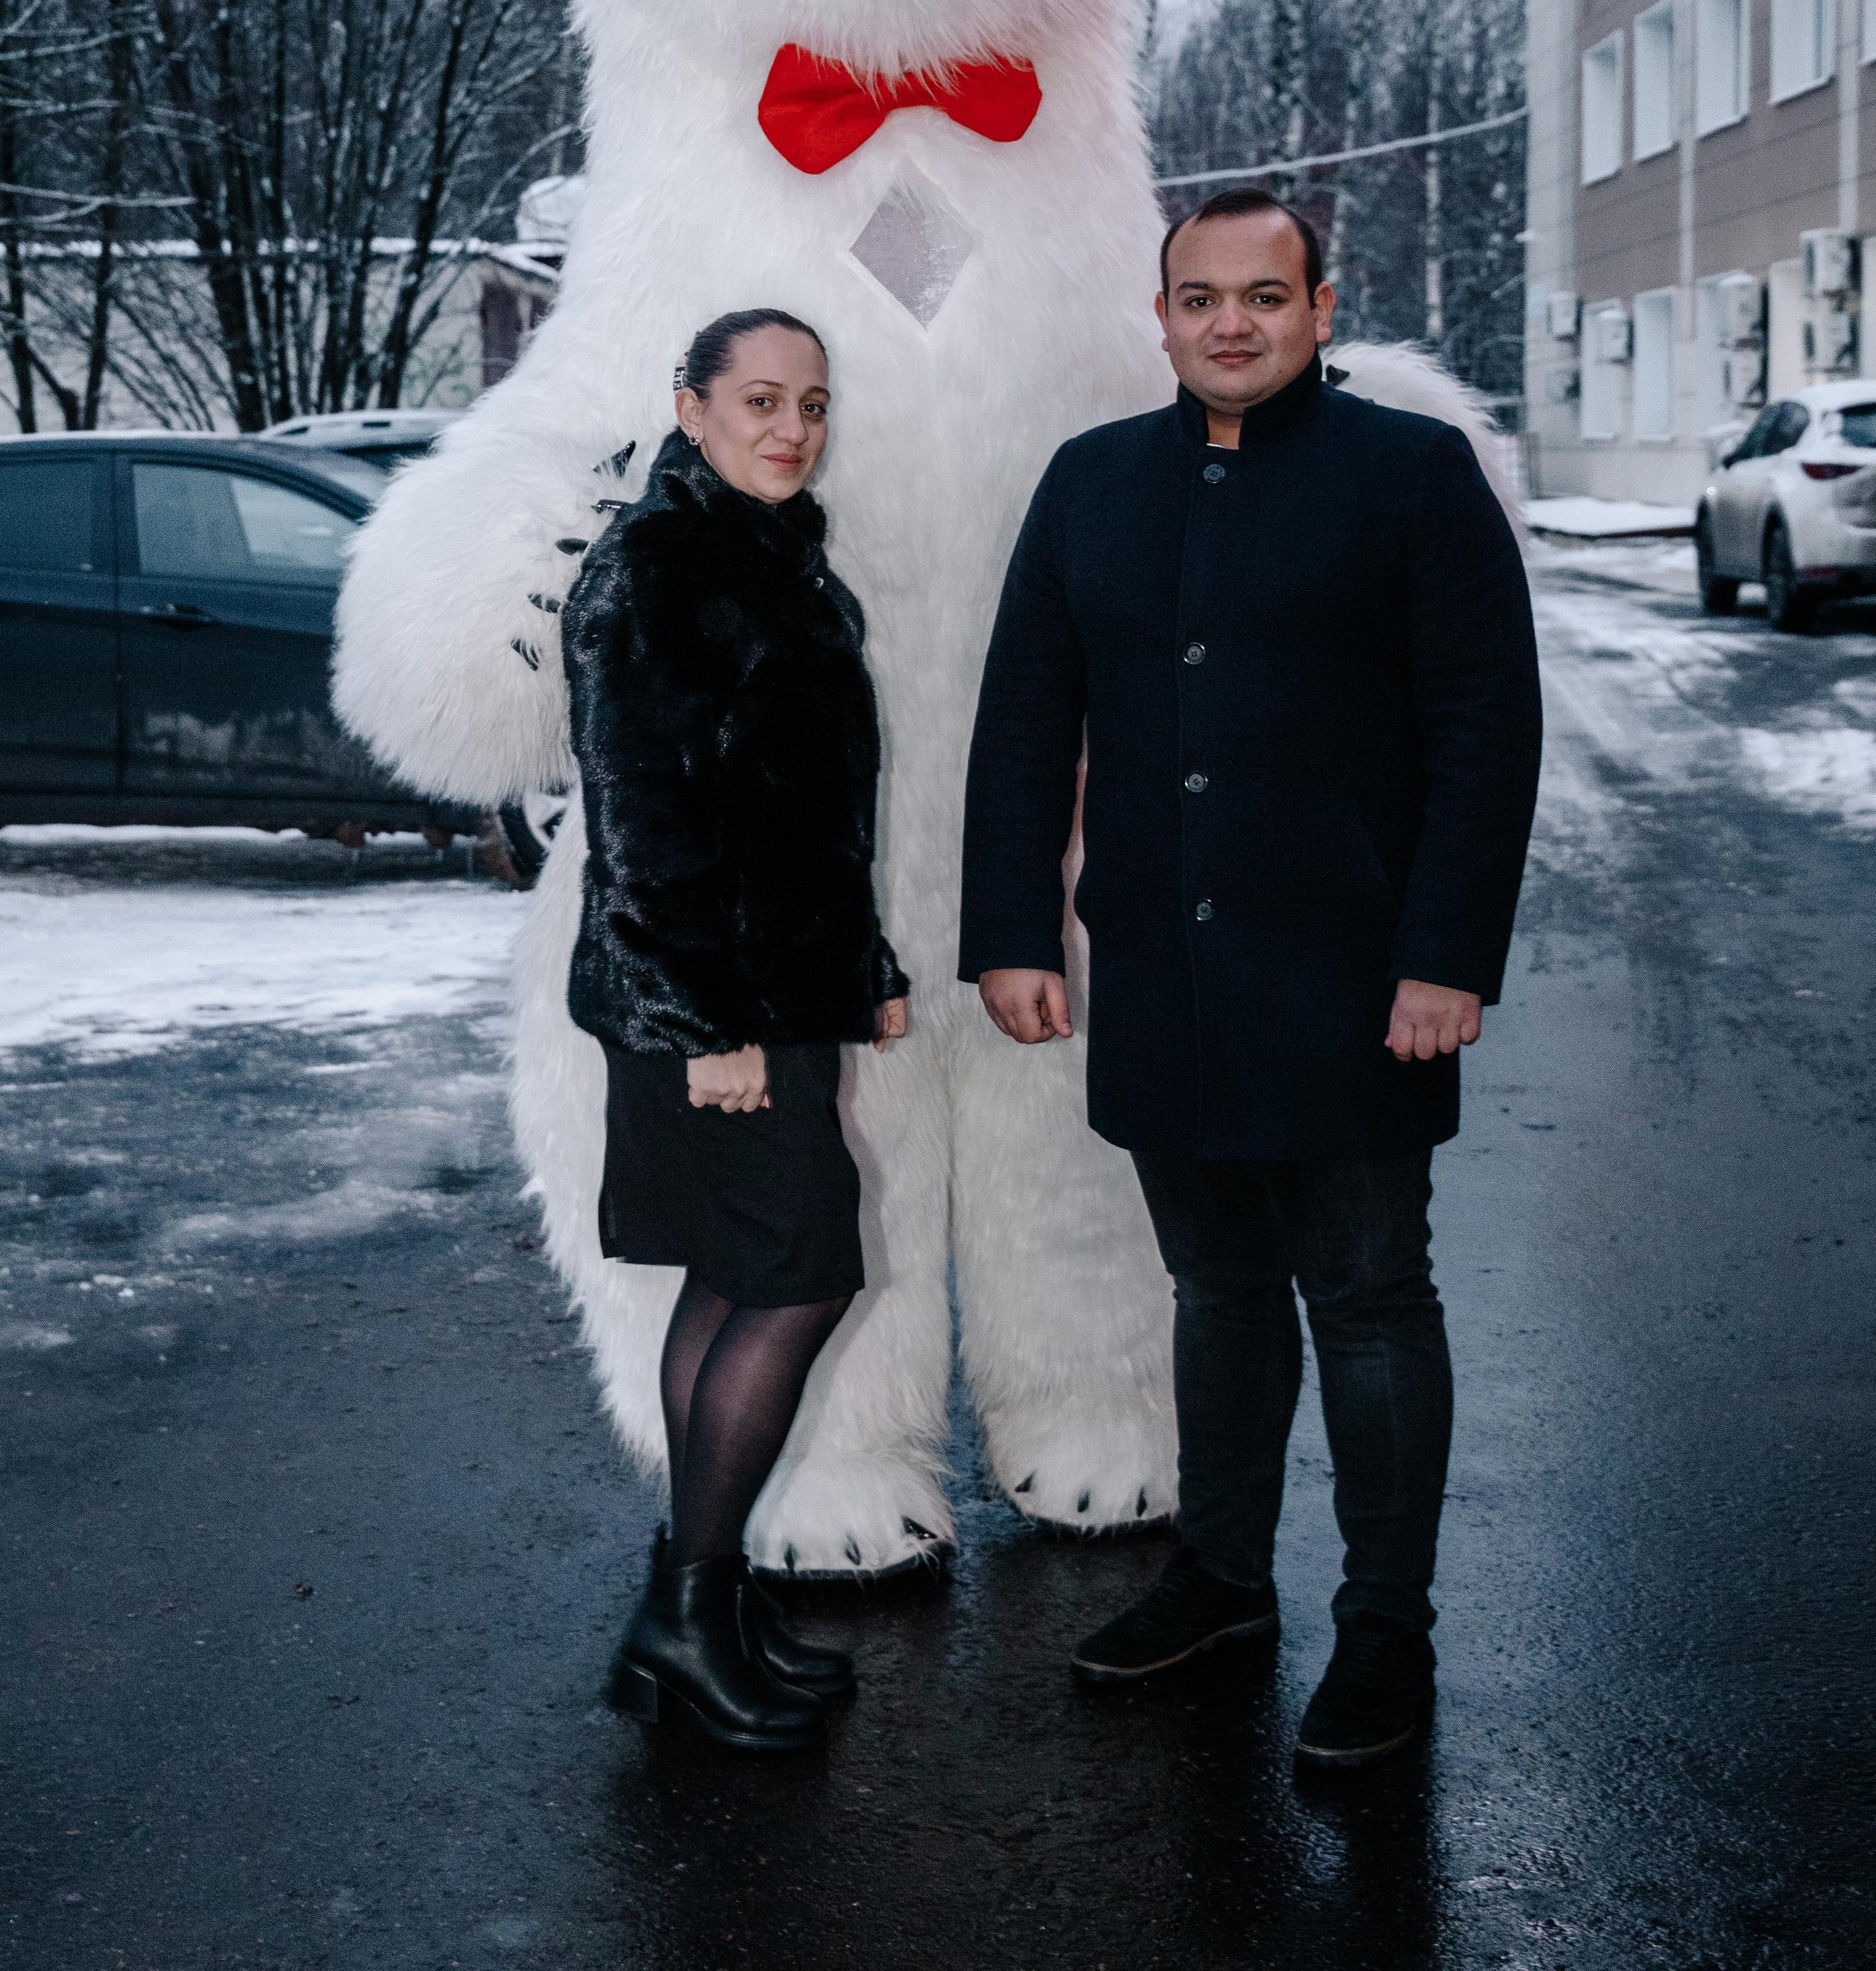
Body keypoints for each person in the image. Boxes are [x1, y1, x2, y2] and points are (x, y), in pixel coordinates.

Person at [957, 190, 1541, 1769]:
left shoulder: (1410, 478)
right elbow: (1025, 719)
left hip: (1359, 979)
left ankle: (1382, 1633)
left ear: (1318, 307)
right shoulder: (1091, 485)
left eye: (1262, 297)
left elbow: (1486, 731)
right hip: (1164, 970)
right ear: (1159, 315)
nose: (1230, 322)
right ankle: (1218, 1580)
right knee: (1213, 1292)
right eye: (1199, 297)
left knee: (1363, 1296)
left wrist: (1442, 959)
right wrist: (1012, 928)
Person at [563, 306, 909, 1752]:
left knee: (740, 1272)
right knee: (800, 1271)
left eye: (812, 404)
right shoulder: (656, 566)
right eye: (760, 400)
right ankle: (687, 1612)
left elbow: (801, 810)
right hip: (705, 1012)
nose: (791, 427)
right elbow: (643, 824)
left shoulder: (776, 557)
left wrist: (862, 964)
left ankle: (695, 1601)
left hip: (775, 1002)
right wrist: (706, 1022)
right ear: (691, 408)